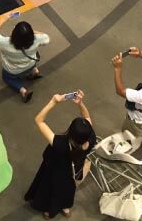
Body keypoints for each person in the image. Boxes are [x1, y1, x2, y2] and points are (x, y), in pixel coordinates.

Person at [25, 91, 95, 219]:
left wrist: (53, 101)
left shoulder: (60, 144)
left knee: (51, 190)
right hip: (72, 174)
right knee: (67, 190)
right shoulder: (90, 139)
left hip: (55, 172)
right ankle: (65, 208)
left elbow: (39, 120)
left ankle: (48, 211)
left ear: (70, 131)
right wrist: (80, 104)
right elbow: (87, 118)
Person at [0, 13, 49, 103]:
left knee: (6, 78)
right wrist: (30, 32)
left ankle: (23, 90)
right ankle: (34, 71)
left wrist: (3, 20)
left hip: (13, 71)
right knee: (33, 56)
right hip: (30, 64)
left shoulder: (5, 43)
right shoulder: (37, 39)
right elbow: (46, 37)